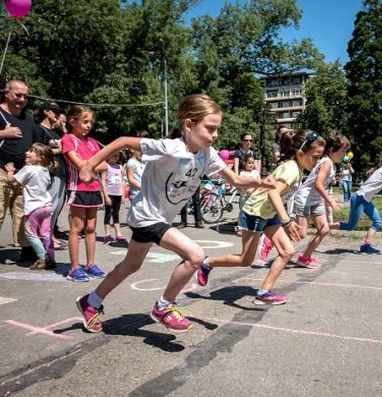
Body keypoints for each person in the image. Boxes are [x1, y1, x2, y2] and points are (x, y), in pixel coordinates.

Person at [75, 94, 275, 333]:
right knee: (195, 255)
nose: (215, 135)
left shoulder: (206, 153)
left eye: (217, 130)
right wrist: (89, 164)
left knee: (130, 266)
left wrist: (259, 183)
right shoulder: (171, 148)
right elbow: (122, 141)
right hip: (146, 217)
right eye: (210, 128)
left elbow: (235, 180)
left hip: (158, 218)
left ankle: (91, 301)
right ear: (189, 125)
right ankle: (164, 305)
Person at [195, 129, 325, 305]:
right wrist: (287, 221)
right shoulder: (292, 169)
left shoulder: (298, 168)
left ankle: (264, 292)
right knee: (245, 260)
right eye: (315, 157)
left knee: (287, 252)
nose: (317, 162)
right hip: (255, 212)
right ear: (301, 153)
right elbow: (273, 194)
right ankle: (207, 263)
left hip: (268, 213)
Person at [331, 147, 382, 254]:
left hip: (364, 199)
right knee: (350, 226)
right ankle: (326, 226)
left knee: (377, 221)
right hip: (360, 199)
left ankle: (366, 246)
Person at [62, 105, 108, 282]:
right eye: (85, 121)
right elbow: (79, 165)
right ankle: (74, 268)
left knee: (90, 228)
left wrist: (90, 164)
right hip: (78, 188)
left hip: (94, 188)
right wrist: (91, 164)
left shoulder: (92, 142)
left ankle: (90, 264)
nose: (89, 125)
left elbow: (105, 165)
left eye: (91, 122)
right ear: (73, 121)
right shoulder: (69, 139)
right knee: (76, 228)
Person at [0, 79, 45, 262]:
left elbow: (38, 141)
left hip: (22, 173)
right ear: (6, 93)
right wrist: (4, 134)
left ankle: (27, 247)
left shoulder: (27, 118)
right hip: (1, 169)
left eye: (25, 96)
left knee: (23, 213)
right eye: (18, 95)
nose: (22, 99)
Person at [293, 131, 349, 268]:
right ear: (331, 150)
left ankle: (304, 258)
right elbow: (318, 184)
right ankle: (270, 239)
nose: (344, 155)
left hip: (315, 199)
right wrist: (330, 201)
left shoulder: (330, 163)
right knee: (300, 233)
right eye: (342, 151)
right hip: (304, 198)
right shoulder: (327, 163)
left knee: (324, 229)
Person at [3, 143, 56, 269]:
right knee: (45, 233)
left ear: (40, 157)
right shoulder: (45, 170)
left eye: (31, 151)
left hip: (34, 208)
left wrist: (10, 172)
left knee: (31, 233)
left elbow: (11, 180)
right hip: (47, 206)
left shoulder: (28, 169)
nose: (27, 153)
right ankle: (51, 257)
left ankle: (43, 258)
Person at [36, 102, 68, 250]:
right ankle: (45, 237)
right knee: (50, 206)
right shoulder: (38, 129)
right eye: (55, 112)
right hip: (49, 173)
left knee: (57, 205)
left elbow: (68, 144)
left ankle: (50, 234)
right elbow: (37, 151)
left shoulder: (55, 132)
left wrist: (63, 128)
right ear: (46, 112)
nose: (58, 115)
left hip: (61, 172)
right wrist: (58, 150)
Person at [100, 152, 127, 244]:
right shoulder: (105, 166)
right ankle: (107, 234)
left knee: (116, 214)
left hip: (118, 194)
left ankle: (118, 233)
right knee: (108, 213)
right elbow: (103, 182)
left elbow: (123, 181)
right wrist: (106, 196)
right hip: (110, 193)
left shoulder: (120, 167)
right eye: (114, 155)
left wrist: (123, 194)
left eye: (117, 156)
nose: (116, 157)